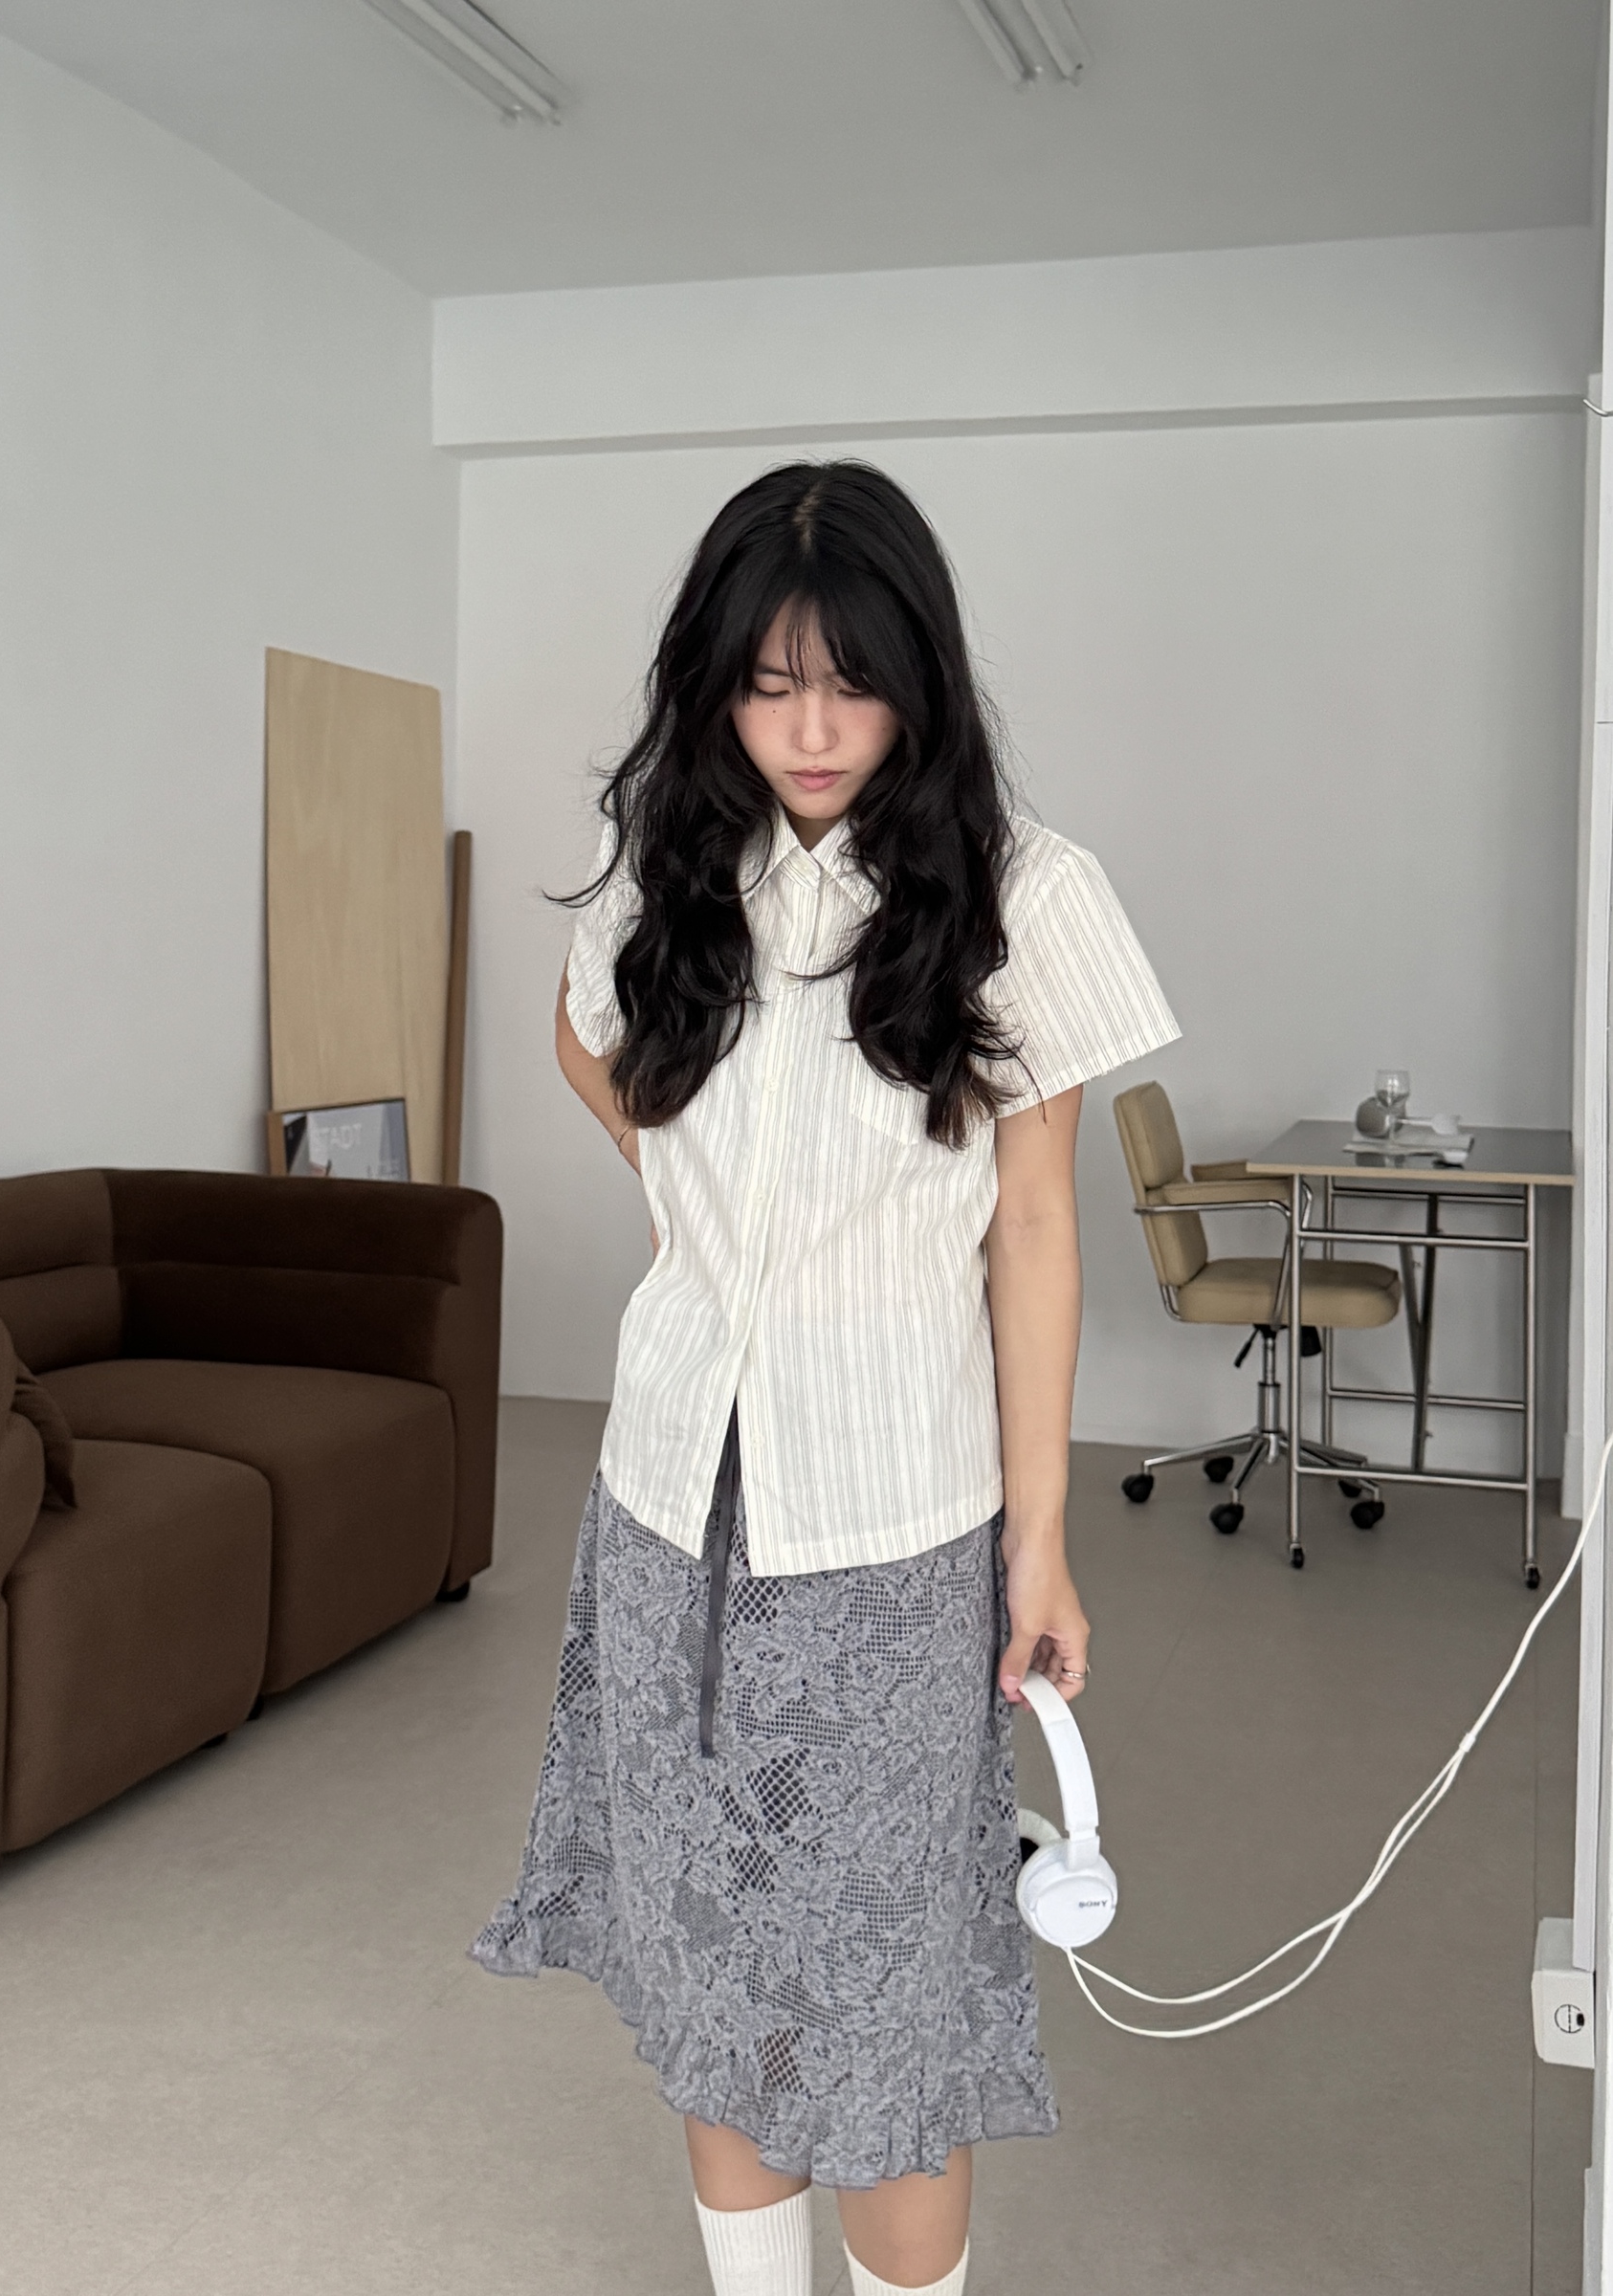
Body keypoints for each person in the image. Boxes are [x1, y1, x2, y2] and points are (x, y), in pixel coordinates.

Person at [473, 461, 1179, 2296]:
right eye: (768, 685)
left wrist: (1041, 1542)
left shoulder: (1023, 894)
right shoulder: (666, 876)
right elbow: (585, 1041)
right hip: (663, 1506)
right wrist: (697, 1217)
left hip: (887, 1528)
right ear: (712, 684)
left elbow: (1036, 1227)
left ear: (917, 680)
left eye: (850, 686)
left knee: (883, 2016)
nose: (807, 731)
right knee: (711, 1975)